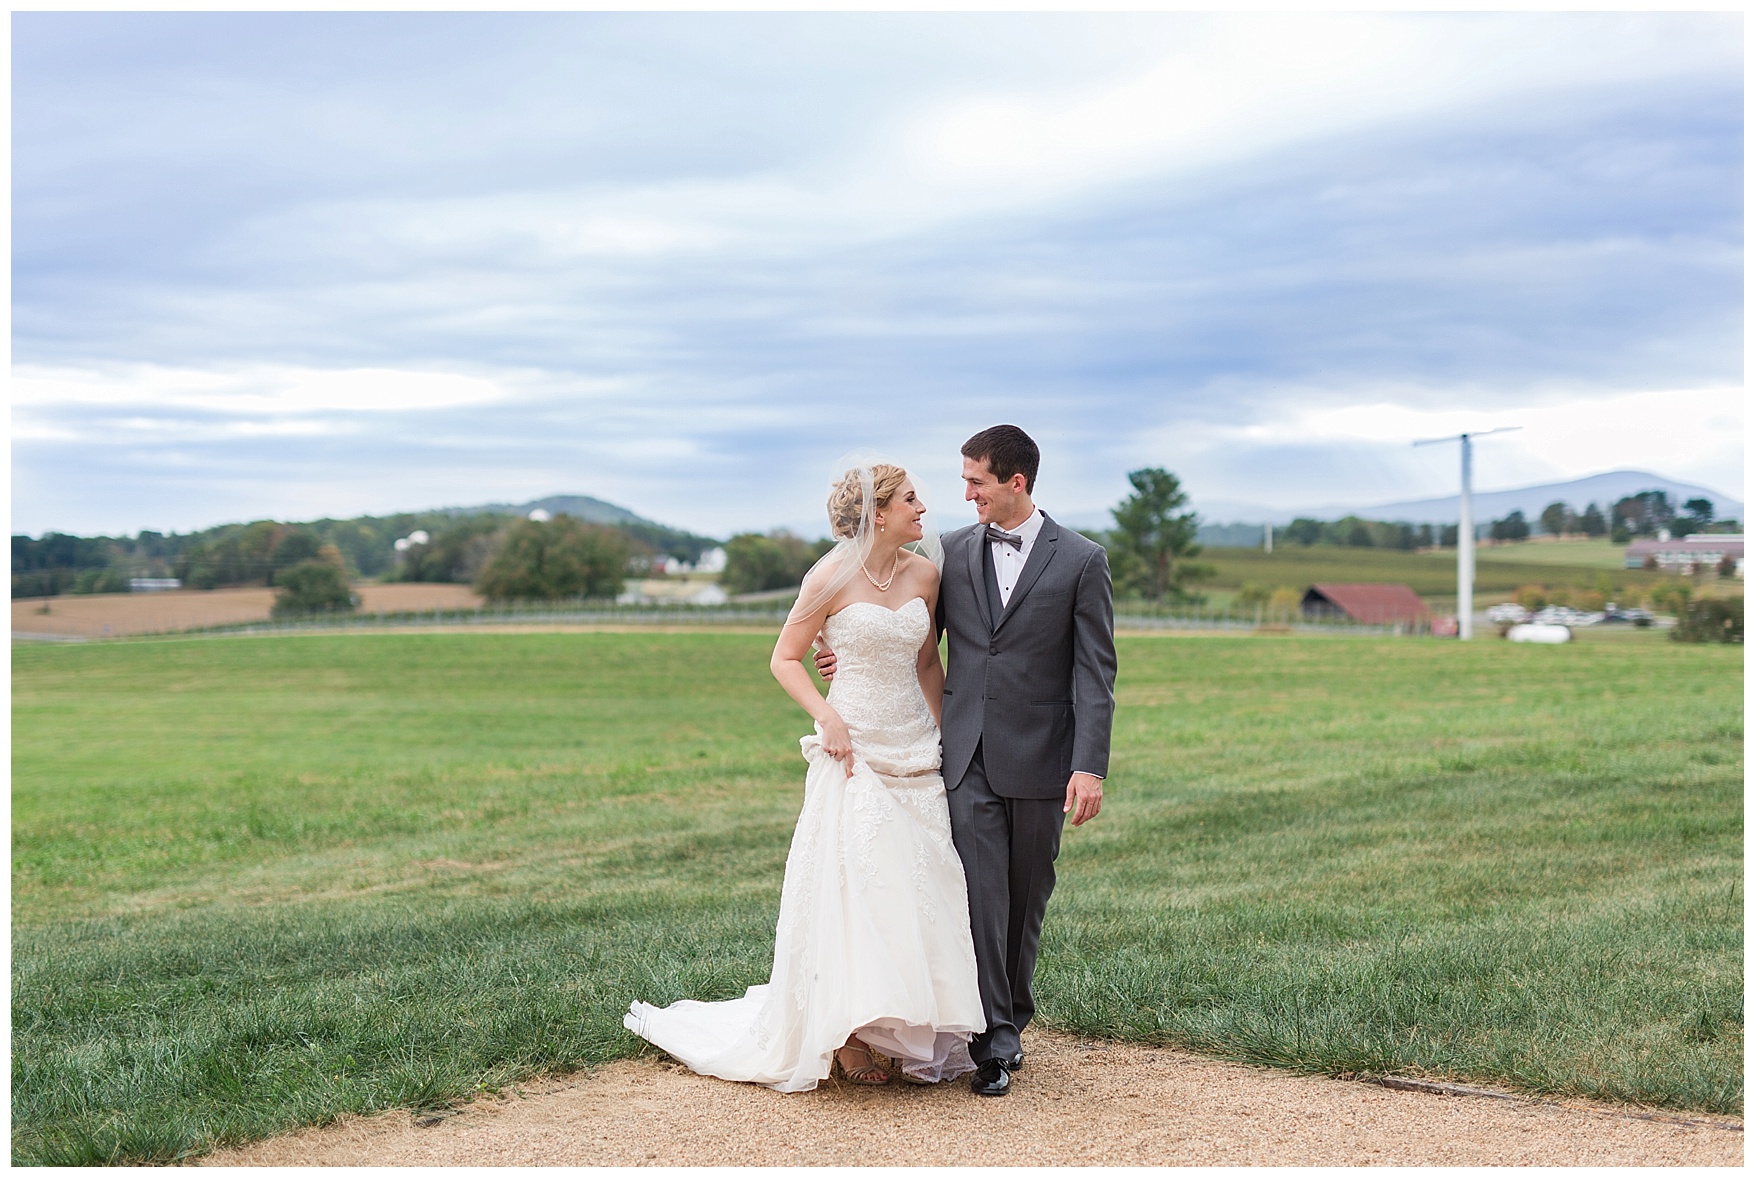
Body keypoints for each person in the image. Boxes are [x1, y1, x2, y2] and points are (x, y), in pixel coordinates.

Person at [624, 460, 984, 1091]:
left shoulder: (926, 574)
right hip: (854, 748)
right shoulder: (830, 575)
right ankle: (843, 1038)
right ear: (877, 511)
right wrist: (827, 717)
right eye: (910, 499)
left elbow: (928, 662)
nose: (923, 508)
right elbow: (785, 657)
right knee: (856, 888)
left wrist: (948, 733)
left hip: (916, 748)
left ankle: (900, 1025)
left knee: (918, 886)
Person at [817, 425, 1116, 1097]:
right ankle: (993, 1042)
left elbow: (1094, 675)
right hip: (965, 755)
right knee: (978, 896)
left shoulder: (1081, 560)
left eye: (975, 481)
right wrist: (834, 653)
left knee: (1025, 898)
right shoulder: (950, 552)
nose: (964, 493)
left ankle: (1011, 1017)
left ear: (1015, 482)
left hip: (1043, 760)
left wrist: (1088, 766)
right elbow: (906, 634)